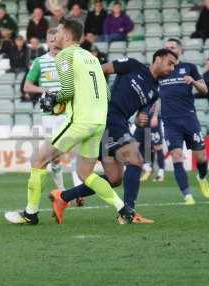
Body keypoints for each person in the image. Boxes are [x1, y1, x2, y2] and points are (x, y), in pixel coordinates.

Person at [4, 19, 135, 225]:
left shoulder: (65, 55)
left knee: (38, 159)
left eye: (58, 32)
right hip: (99, 122)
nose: (54, 36)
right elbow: (107, 93)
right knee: (85, 173)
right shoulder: (91, 57)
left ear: (66, 36)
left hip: (80, 122)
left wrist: (54, 100)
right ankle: (123, 209)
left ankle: (30, 214)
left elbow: (67, 91)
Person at [49, 50, 178, 224]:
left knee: (114, 178)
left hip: (118, 123)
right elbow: (100, 70)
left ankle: (63, 197)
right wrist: (97, 97)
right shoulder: (133, 65)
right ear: (158, 59)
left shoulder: (154, 92)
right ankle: (128, 212)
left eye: (174, 65)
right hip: (108, 116)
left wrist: (141, 119)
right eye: (170, 63)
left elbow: (141, 118)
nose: (172, 68)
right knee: (136, 160)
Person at [23, 28, 83, 192]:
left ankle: (77, 190)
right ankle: (62, 192)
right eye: (51, 41)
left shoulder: (69, 60)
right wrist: (43, 89)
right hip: (49, 115)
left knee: (72, 150)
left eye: (56, 40)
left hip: (68, 112)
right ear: (47, 42)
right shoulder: (39, 62)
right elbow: (27, 86)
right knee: (54, 157)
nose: (54, 44)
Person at [159, 38, 209, 204]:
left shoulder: (189, 67)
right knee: (176, 156)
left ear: (179, 50)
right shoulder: (160, 71)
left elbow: (204, 89)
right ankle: (187, 196)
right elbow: (154, 96)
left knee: (201, 158)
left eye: (172, 47)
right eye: (167, 47)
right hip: (170, 122)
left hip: (189, 119)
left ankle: (202, 177)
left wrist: (193, 81)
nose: (169, 49)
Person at [137, 101, 166, 182]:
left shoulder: (153, 89)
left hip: (152, 117)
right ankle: (147, 168)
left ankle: (161, 173)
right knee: (137, 144)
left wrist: (155, 116)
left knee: (157, 146)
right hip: (141, 118)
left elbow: (158, 100)